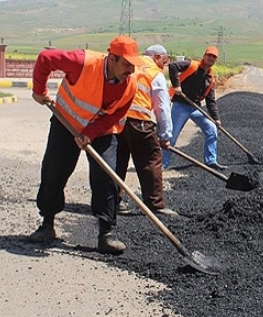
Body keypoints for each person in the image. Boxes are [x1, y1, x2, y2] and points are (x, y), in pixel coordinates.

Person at [28, 35, 146, 255]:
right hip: (66, 122)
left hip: (101, 130)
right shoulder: (82, 62)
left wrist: (90, 133)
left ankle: (105, 234)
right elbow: (45, 58)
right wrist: (39, 90)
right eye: (127, 64)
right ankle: (47, 225)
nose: (130, 70)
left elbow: (118, 113)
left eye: (133, 65)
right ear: (112, 58)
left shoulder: (132, 82)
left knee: (107, 175)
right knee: (55, 170)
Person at [116, 44, 178, 216]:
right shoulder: (154, 73)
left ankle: (113, 202)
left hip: (117, 121)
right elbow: (162, 108)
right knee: (150, 162)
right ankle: (155, 204)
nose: (163, 67)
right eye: (164, 62)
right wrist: (165, 136)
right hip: (139, 122)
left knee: (118, 162)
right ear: (157, 57)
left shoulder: (130, 65)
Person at [162, 45, 226, 170]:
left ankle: (211, 161)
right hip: (181, 105)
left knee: (211, 128)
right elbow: (173, 66)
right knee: (172, 136)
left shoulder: (210, 79)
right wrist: (176, 85)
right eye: (209, 55)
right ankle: (162, 164)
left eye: (214, 57)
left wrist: (216, 118)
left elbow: (211, 101)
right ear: (204, 56)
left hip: (195, 107)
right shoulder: (192, 65)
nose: (210, 58)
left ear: (215, 60)